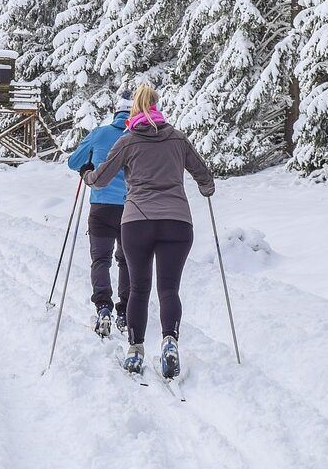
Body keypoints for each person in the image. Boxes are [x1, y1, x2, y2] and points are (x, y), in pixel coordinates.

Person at [81, 83, 215, 379]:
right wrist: (206, 188)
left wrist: (87, 176)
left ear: (134, 110)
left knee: (139, 289)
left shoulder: (128, 141)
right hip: (178, 222)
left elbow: (101, 178)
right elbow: (204, 175)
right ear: (157, 106)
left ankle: (135, 350)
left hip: (137, 221)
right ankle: (169, 341)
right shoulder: (178, 139)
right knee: (169, 289)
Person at [65, 91, 133, 338]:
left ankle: (103, 307)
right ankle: (125, 311)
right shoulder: (137, 136)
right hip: (131, 208)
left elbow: (74, 162)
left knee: (101, 260)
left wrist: (88, 167)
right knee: (127, 261)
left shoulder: (100, 133)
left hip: (101, 207)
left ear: (115, 112)